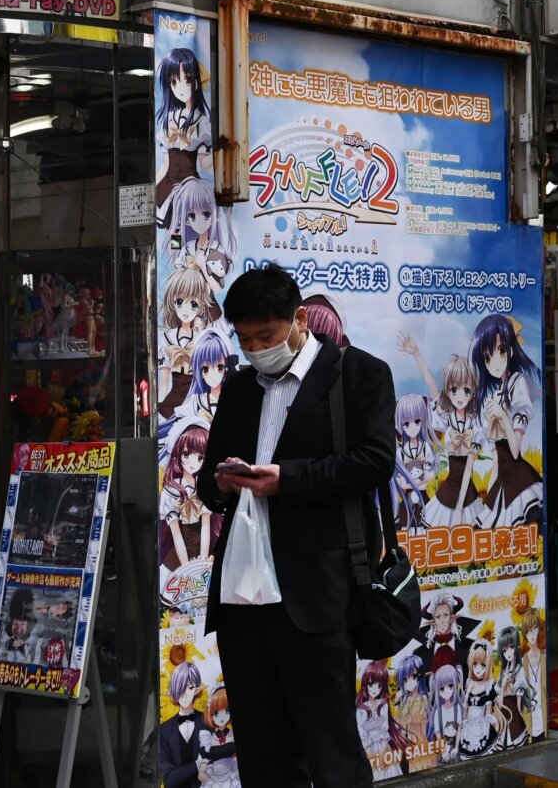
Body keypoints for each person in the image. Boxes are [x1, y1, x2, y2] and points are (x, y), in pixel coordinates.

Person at [198, 264, 397, 788]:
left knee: (330, 748)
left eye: (266, 335)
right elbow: (205, 485)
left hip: (317, 595)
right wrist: (223, 483)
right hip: (242, 600)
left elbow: (374, 461)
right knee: (263, 753)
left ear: (299, 319)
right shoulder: (240, 388)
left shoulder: (358, 375)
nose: (256, 348)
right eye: (244, 339)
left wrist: (286, 480)